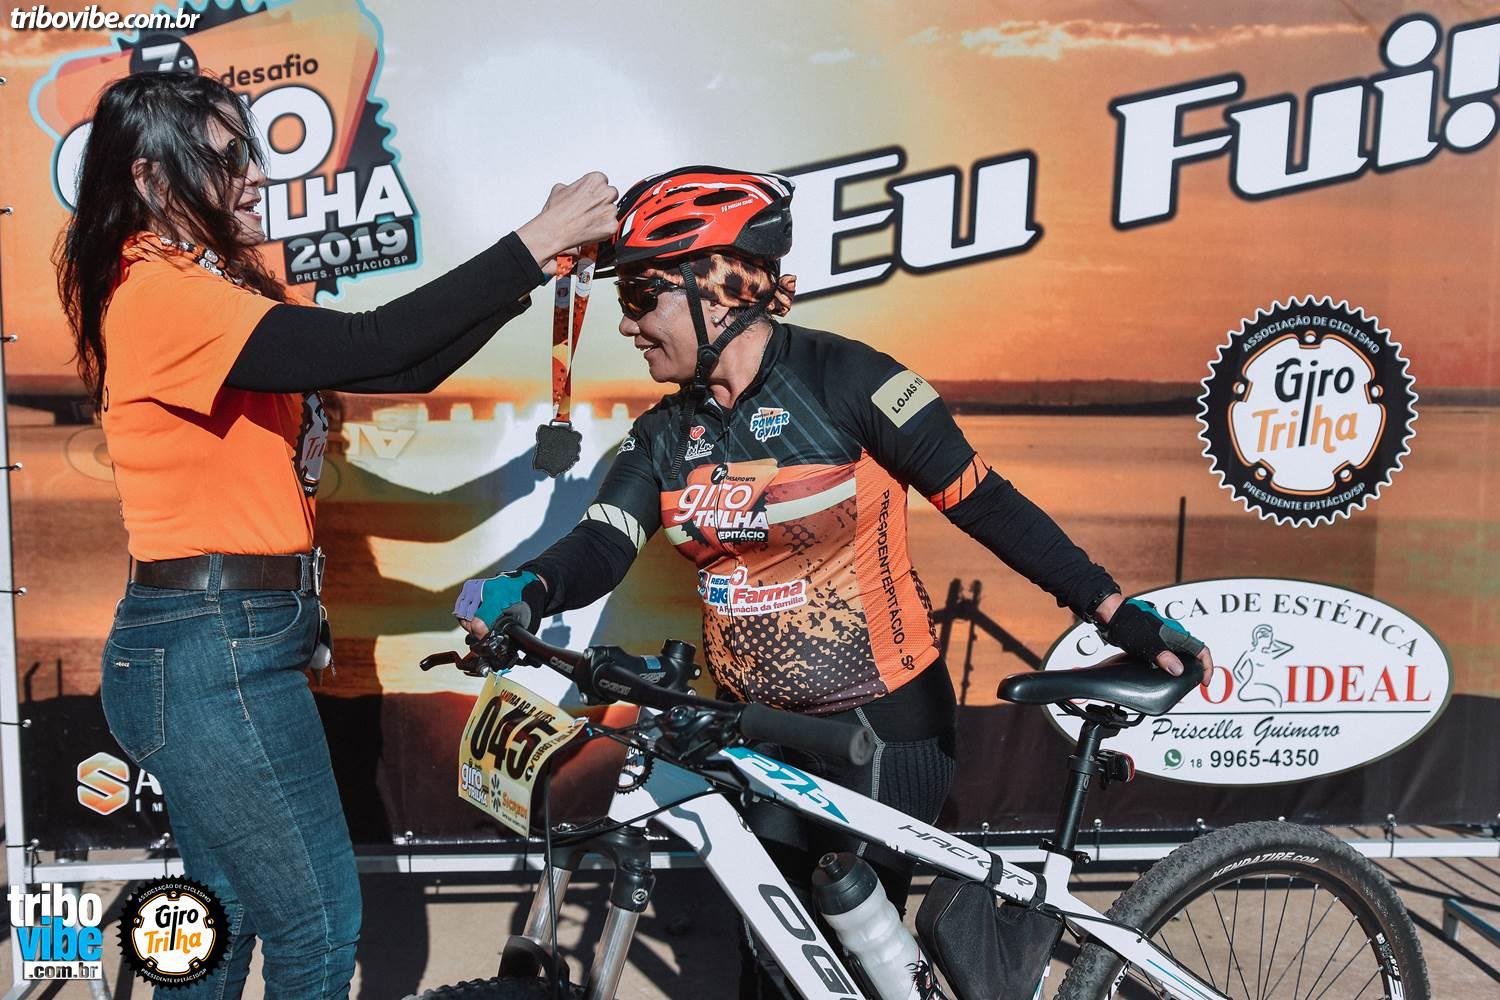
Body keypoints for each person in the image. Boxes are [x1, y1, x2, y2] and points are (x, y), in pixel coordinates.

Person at [453, 166, 1212, 997]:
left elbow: (987, 503)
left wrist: (1113, 610)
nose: (629, 325)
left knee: (853, 967)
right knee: (776, 968)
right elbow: (603, 541)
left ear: (719, 286)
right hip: (756, 731)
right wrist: (529, 586)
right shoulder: (668, 431)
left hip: (879, 728)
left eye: (642, 295)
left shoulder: (848, 381)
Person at [59, 70, 617, 998]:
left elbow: (403, 369)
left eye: (252, 153)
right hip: (212, 651)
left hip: (217, 645)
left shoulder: (201, 287)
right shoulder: (159, 292)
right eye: (228, 157)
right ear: (154, 178)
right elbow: (373, 344)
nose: (254, 176)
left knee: (223, 922)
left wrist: (530, 278)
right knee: (316, 929)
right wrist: (532, 241)